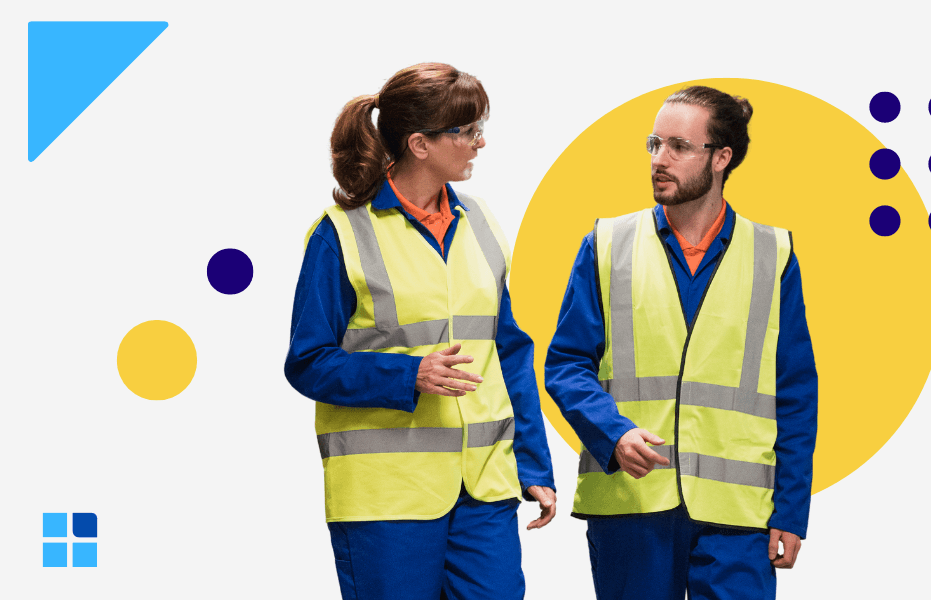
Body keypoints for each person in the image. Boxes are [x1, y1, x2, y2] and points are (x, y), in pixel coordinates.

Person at [284, 63, 556, 600]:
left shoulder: (481, 222)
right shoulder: (340, 233)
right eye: (467, 130)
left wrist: (532, 463)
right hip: (388, 497)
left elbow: (508, 350)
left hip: (483, 488)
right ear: (420, 144)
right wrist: (409, 374)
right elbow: (308, 360)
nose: (480, 142)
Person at [544, 85, 818, 600]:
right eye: (653, 144)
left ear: (721, 158)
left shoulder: (772, 254)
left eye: (678, 147)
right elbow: (566, 364)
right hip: (632, 503)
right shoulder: (607, 244)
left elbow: (796, 391)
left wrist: (790, 510)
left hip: (738, 515)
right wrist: (613, 433)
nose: (659, 160)